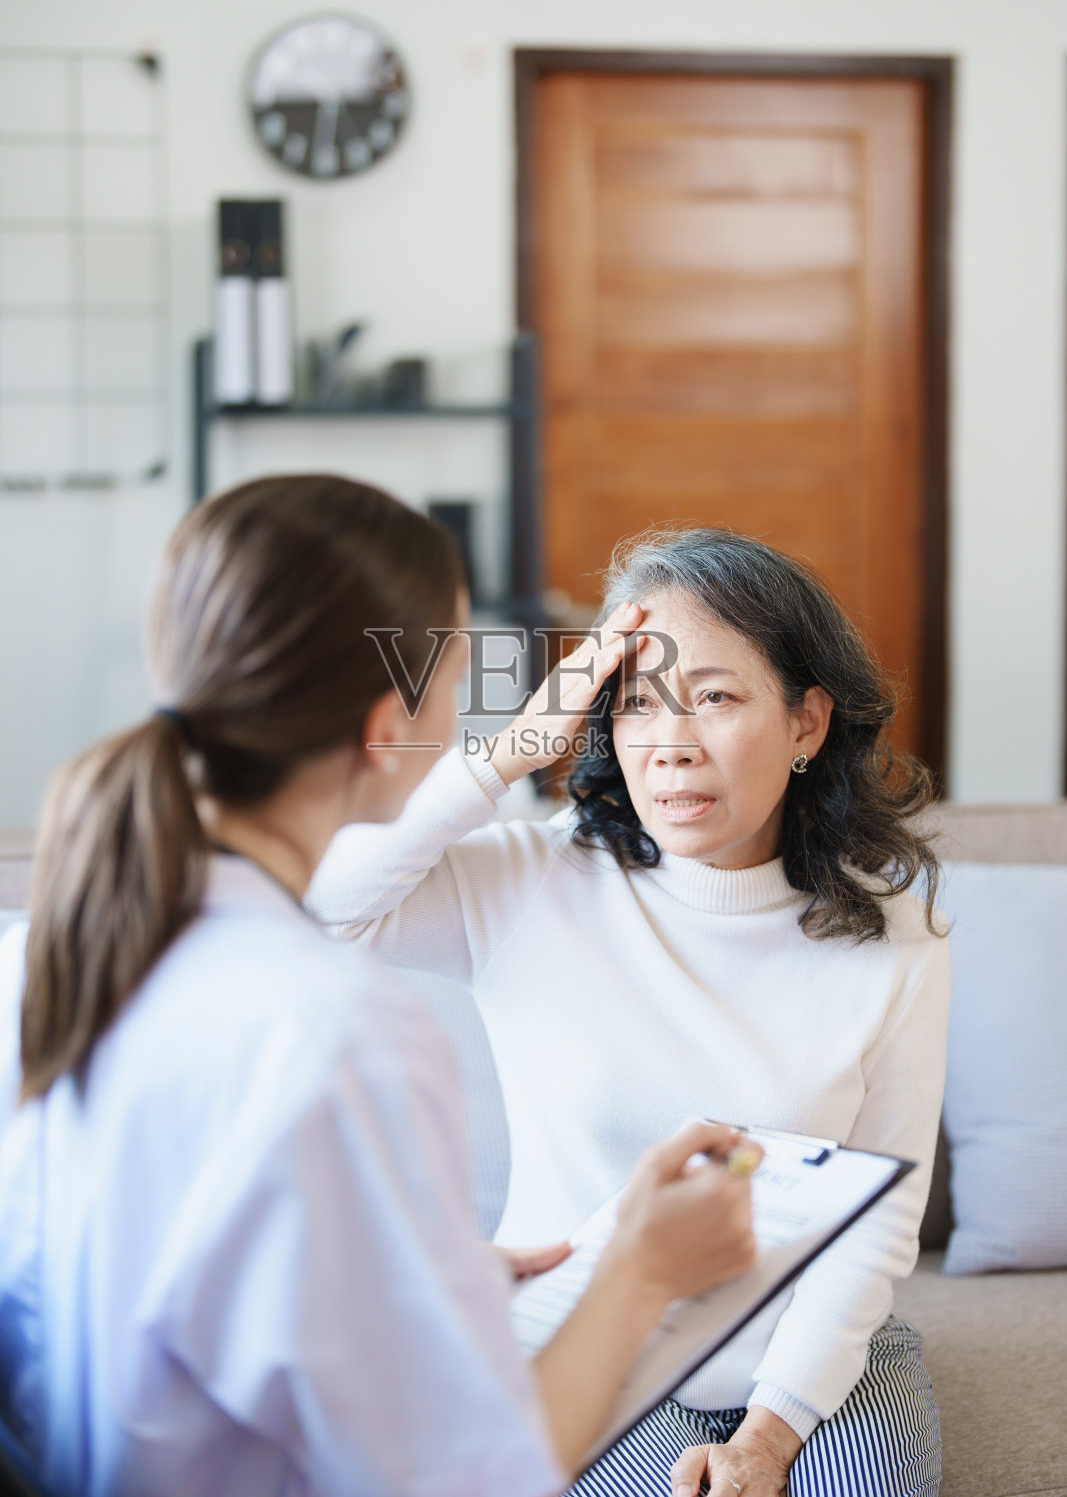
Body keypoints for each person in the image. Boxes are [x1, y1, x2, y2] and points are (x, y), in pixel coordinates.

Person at [0, 482, 759, 1497]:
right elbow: (471, 1477)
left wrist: (401, 1283)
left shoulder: (47, 957)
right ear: (378, 727)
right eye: (451, 669)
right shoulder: (340, 1032)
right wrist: (637, 1273)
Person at [308, 526, 951, 1497]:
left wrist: (770, 1435)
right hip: (588, 1340)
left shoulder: (896, 938)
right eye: (637, 701)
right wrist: (512, 748)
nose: (671, 743)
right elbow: (321, 910)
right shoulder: (530, 881)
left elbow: (875, 1225)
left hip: (807, 1353)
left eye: (716, 696)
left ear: (806, 723)